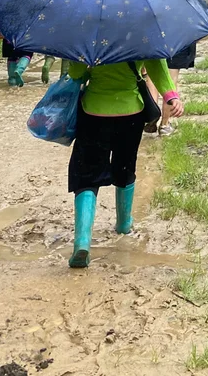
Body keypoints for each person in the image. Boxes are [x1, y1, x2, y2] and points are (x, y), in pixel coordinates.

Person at [65, 57, 183, 268]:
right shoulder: (141, 30)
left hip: (94, 111)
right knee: (125, 165)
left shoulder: (90, 29)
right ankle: (123, 224)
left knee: (87, 175)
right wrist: (171, 96)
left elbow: (76, 73)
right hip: (131, 112)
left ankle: (82, 242)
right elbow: (156, 65)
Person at [152, 0, 208, 137]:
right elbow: (202, 1)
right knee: (171, 74)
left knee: (151, 73)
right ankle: (165, 125)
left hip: (157, 27)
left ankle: (150, 117)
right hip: (182, 29)